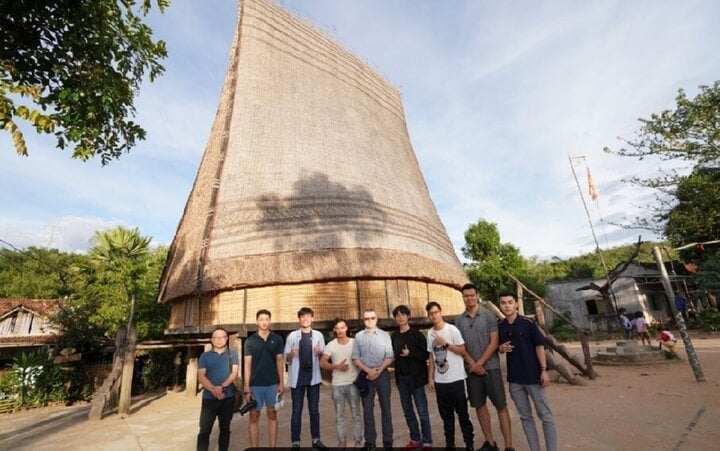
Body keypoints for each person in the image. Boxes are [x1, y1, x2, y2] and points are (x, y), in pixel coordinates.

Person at [455, 283, 512, 451]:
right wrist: (473, 365)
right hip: (472, 370)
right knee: (479, 406)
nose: (469, 298)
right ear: (463, 297)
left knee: (501, 406)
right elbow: (461, 345)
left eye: (472, 295)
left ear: (477, 294)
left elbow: (494, 341)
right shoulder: (459, 320)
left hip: (491, 368)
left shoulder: (488, 316)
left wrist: (479, 364)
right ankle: (490, 442)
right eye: (466, 295)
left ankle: (508, 446)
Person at [497, 292, 557, 451]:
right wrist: (501, 348)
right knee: (525, 417)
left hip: (534, 377)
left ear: (516, 304)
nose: (507, 305)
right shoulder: (500, 326)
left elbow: (539, 346)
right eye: (503, 303)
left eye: (510, 302)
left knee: (545, 416)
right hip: (515, 380)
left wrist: (544, 370)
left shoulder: (528, 323)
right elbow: (498, 347)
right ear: (500, 305)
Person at [425, 301, 474, 450]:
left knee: (463, 415)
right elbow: (432, 357)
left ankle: (469, 444)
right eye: (431, 313)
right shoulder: (430, 333)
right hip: (441, 382)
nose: (434, 315)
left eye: (436, 312)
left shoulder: (452, 330)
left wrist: (446, 344)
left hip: (457, 379)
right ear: (428, 316)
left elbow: (463, 351)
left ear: (441, 312)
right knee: (446, 417)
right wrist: (430, 378)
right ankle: (450, 444)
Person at [285, 307, 328, 449]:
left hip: (313, 379)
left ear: (312, 318)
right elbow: (286, 359)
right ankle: (295, 442)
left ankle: (316, 440)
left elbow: (324, 356)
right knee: (296, 411)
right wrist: (291, 353)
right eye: (302, 317)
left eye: (308, 316)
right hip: (297, 380)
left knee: (314, 410)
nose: (305, 319)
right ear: (299, 319)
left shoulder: (318, 335)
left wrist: (320, 352)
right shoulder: (292, 336)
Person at [391, 305, 432, 449]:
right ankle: (415, 439)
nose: (400, 317)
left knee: (422, 411)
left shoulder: (417, 335)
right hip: (402, 379)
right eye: (397, 315)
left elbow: (426, 355)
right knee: (407, 411)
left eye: (403, 314)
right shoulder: (394, 336)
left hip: (416, 379)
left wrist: (411, 353)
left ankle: (427, 441)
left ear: (408, 316)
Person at [352, 308, 394, 450]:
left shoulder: (385, 335)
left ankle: (388, 440)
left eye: (372, 318)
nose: (369, 320)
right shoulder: (358, 337)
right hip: (366, 375)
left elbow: (389, 356)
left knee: (386, 408)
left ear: (376, 319)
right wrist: (368, 370)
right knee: (367, 410)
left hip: (382, 374)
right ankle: (370, 441)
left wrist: (379, 370)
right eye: (366, 318)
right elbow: (355, 358)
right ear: (363, 320)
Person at [243, 309, 285, 448]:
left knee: (272, 414)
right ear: (257, 321)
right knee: (254, 416)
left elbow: (280, 361)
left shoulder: (277, 339)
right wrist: (246, 387)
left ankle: (272, 447)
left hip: (272, 384)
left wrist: (281, 383)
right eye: (261, 319)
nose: (264, 322)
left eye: (267, 319)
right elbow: (247, 364)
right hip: (255, 385)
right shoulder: (250, 341)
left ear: (270, 321)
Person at [320, 318, 363, 448]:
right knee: (339, 416)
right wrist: (337, 367)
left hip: (353, 383)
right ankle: (342, 441)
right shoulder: (331, 345)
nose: (339, 330)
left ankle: (357, 440)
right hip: (337, 384)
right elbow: (322, 362)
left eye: (342, 327)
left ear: (346, 328)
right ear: (334, 330)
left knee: (356, 414)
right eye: (337, 328)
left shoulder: (355, 343)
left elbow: (363, 358)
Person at [197, 327, 239, 451]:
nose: (218, 340)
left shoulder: (233, 354)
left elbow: (234, 373)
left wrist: (222, 387)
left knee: (225, 430)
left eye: (221, 337)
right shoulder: (205, 356)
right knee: (204, 430)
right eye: (215, 338)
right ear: (211, 340)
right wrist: (214, 390)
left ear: (226, 338)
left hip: (227, 398)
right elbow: (201, 376)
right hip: (209, 399)